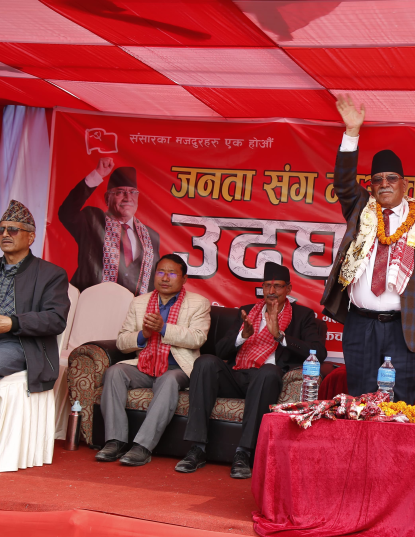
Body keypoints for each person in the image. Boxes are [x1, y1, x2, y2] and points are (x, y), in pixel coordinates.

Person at [320, 94, 415, 404]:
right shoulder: (360, 208)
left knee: (400, 401)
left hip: (402, 326)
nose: (384, 183)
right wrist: (351, 132)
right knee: (360, 398)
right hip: (360, 323)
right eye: (377, 180)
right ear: (371, 187)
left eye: (391, 178)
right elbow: (343, 183)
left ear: (404, 184)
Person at [177, 262, 326, 479]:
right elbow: (220, 350)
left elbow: (318, 352)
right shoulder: (247, 312)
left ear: (288, 289)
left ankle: (244, 453)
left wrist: (280, 336)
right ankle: (197, 448)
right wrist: (242, 336)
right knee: (205, 362)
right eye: (267, 286)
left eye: (277, 286)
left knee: (268, 371)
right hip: (237, 373)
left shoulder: (302, 315)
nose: (271, 291)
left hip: (265, 380)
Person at [95, 254, 210, 467]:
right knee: (114, 372)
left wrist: (163, 328)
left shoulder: (198, 303)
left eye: (172, 273)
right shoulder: (139, 302)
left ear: (184, 278)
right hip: (144, 366)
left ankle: (143, 446)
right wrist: (143, 335)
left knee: (168, 380)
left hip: (178, 367)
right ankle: (115, 441)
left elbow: (198, 338)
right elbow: (122, 341)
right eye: (161, 272)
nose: (165, 278)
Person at [0, 200, 69, 471]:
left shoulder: (51, 274)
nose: (5, 234)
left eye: (13, 230)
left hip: (25, 346)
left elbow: (56, 319)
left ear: (31, 237)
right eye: (2, 229)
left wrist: (13, 323)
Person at [58, 157, 160, 295]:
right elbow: (66, 212)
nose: (127, 198)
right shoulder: (92, 220)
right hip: (91, 302)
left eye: (132, 192)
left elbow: (153, 281)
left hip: (132, 306)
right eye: (120, 192)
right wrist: (97, 175)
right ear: (107, 198)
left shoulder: (151, 236)